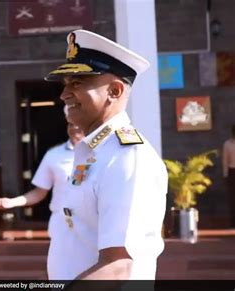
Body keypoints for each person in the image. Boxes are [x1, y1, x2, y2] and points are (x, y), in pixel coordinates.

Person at [44, 29, 168, 280]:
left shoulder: (127, 157)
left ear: (115, 91)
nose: (64, 94)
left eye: (77, 83)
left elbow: (119, 268)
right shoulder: (96, 151)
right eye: (65, 84)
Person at [0, 122, 84, 279]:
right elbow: (40, 192)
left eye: (78, 124)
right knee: (61, 273)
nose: (75, 128)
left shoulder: (101, 152)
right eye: (70, 124)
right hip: (62, 224)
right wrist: (12, 202)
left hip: (93, 223)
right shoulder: (54, 155)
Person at [223, 124, 235, 227]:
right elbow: (225, 161)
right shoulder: (227, 144)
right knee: (233, 197)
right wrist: (225, 175)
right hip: (232, 171)